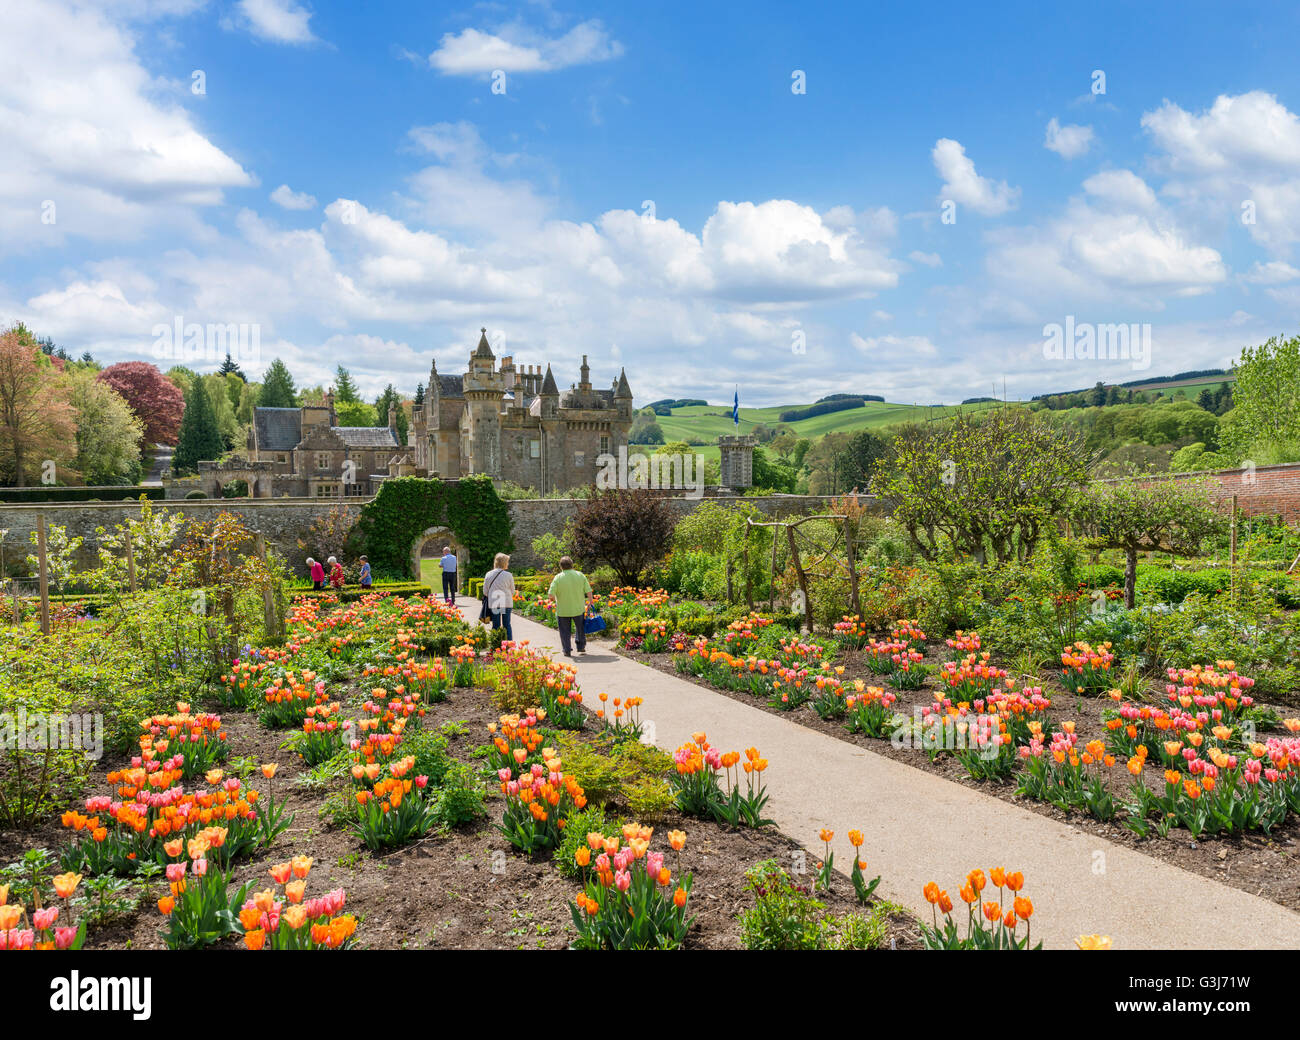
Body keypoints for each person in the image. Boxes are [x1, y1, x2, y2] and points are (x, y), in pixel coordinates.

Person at [546, 556, 593, 658]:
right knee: (580, 628)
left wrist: (553, 600)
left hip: (563, 610)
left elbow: (551, 595)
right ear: (572, 564)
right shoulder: (580, 575)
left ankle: (567, 650)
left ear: (561, 566)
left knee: (564, 631)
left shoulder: (558, 577)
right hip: (578, 608)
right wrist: (590, 601)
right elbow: (588, 590)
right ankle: (580, 647)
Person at [483, 553, 515, 641]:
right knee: (507, 625)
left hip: (495, 601)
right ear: (504, 563)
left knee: (496, 625)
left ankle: (496, 644)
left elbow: (485, 592)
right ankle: (509, 645)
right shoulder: (508, 575)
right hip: (506, 602)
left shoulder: (488, 574)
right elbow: (512, 591)